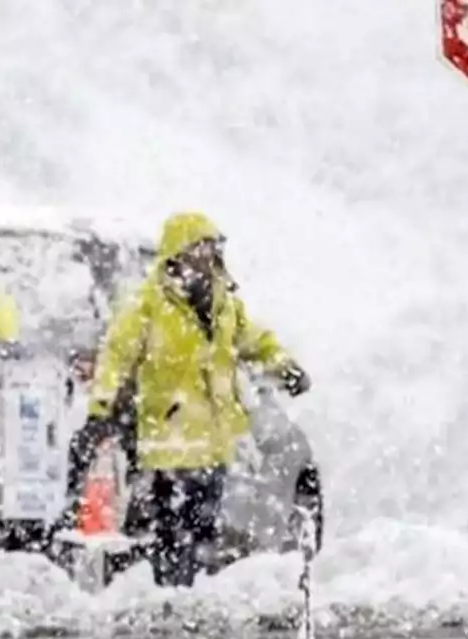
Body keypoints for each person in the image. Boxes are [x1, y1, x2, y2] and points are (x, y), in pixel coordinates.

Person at [67, 211, 310, 588]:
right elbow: (116, 356)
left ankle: (187, 595)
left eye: (212, 247)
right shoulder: (148, 305)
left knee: (202, 531)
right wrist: (100, 411)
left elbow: (253, 341)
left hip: (213, 441)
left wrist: (284, 367)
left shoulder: (223, 304)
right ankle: (171, 593)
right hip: (169, 441)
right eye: (200, 246)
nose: (207, 254)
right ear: (177, 252)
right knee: (172, 531)